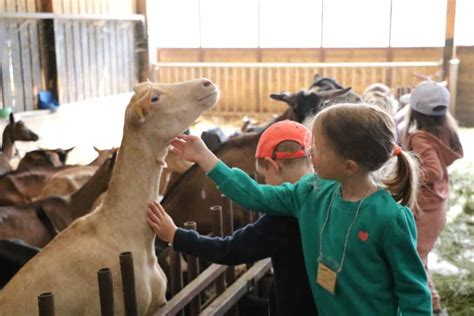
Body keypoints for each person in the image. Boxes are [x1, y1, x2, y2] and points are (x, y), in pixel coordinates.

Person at [168, 103, 432, 315]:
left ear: (348, 166)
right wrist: (205, 157)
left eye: (318, 148)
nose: (308, 151)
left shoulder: (391, 219)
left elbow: (413, 292)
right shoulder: (311, 193)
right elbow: (254, 195)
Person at [148, 120, 317, 316]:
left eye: (264, 176)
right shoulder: (325, 193)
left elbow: (229, 249)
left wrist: (175, 235)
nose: (267, 183)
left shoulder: (282, 220)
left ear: (273, 166)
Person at [402, 81, 463, 315]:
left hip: (425, 208)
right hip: (436, 206)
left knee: (416, 258)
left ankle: (434, 307)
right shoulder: (443, 133)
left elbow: (433, 171)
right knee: (421, 255)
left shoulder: (420, 138)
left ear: (415, 111)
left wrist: (407, 174)